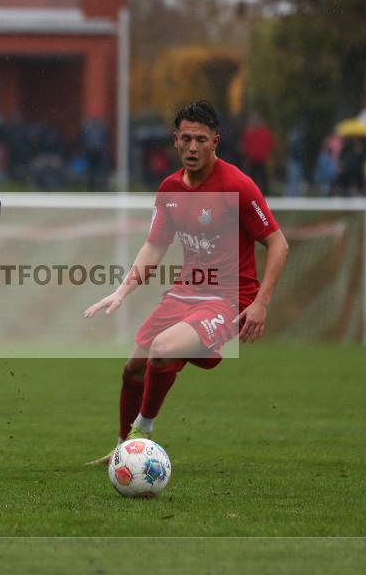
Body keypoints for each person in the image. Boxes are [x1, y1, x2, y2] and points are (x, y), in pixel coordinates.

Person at [83, 101, 289, 463]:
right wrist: (122, 290)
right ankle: (122, 449)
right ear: (175, 141)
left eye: (201, 140)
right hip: (184, 293)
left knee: (161, 351)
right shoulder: (169, 188)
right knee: (133, 367)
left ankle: (141, 434)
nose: (193, 147)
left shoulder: (237, 185)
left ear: (215, 142)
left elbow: (278, 243)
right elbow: (154, 246)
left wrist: (261, 303)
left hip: (228, 299)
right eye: (186, 139)